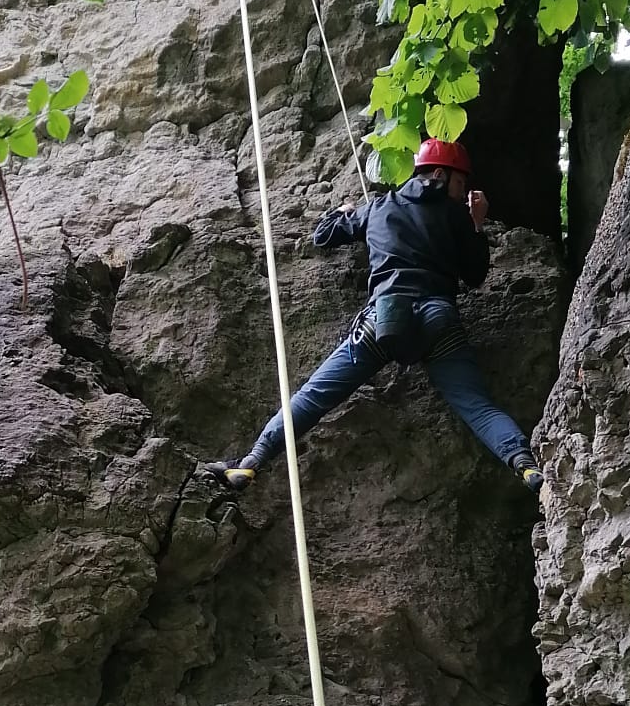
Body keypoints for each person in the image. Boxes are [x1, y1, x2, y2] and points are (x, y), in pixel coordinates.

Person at [204, 139, 543, 495]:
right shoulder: (455, 214)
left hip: (383, 319)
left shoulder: (379, 206)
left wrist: (342, 211)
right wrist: (476, 225)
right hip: (438, 319)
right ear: (441, 175)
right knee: (478, 407)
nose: (462, 192)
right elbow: (475, 275)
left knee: (313, 396)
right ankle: (526, 466)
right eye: (460, 183)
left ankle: (249, 464)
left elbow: (323, 236)